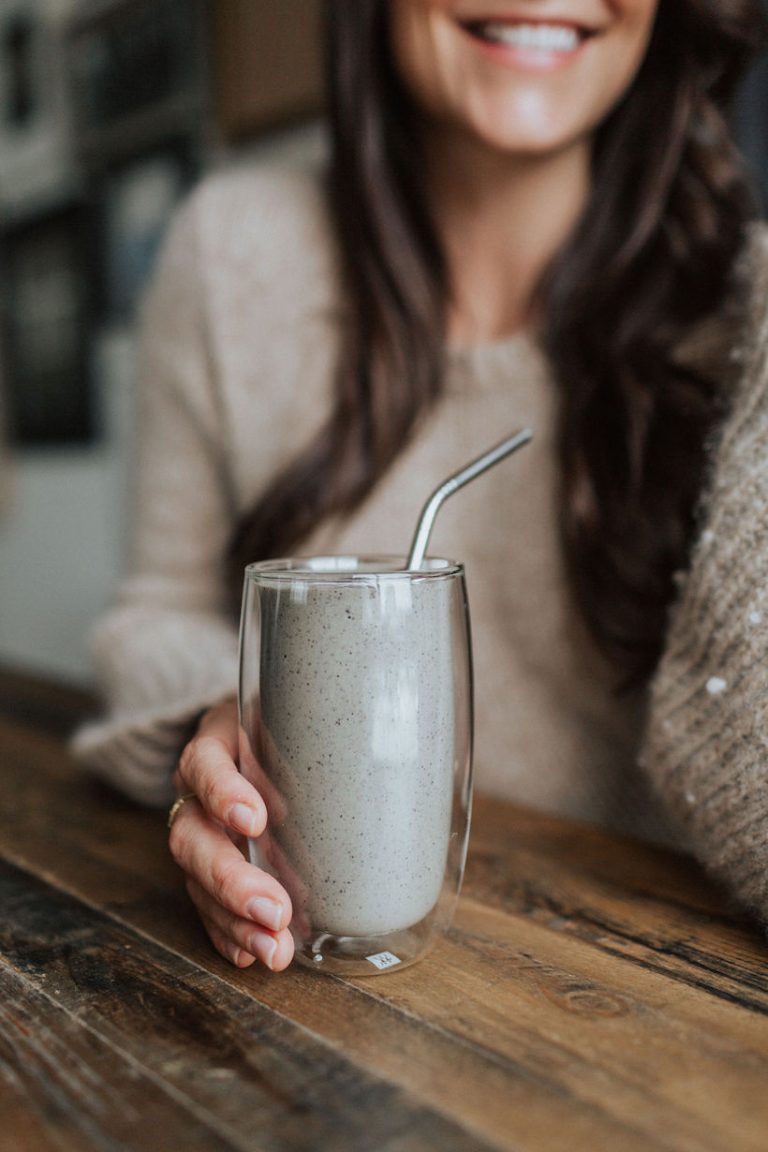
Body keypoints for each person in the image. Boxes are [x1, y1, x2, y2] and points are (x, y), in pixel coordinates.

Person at [74, 0, 768, 972]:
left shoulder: (749, 320)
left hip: (652, 1018)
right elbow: (155, 616)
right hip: (313, 991)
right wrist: (226, 731)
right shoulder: (231, 253)